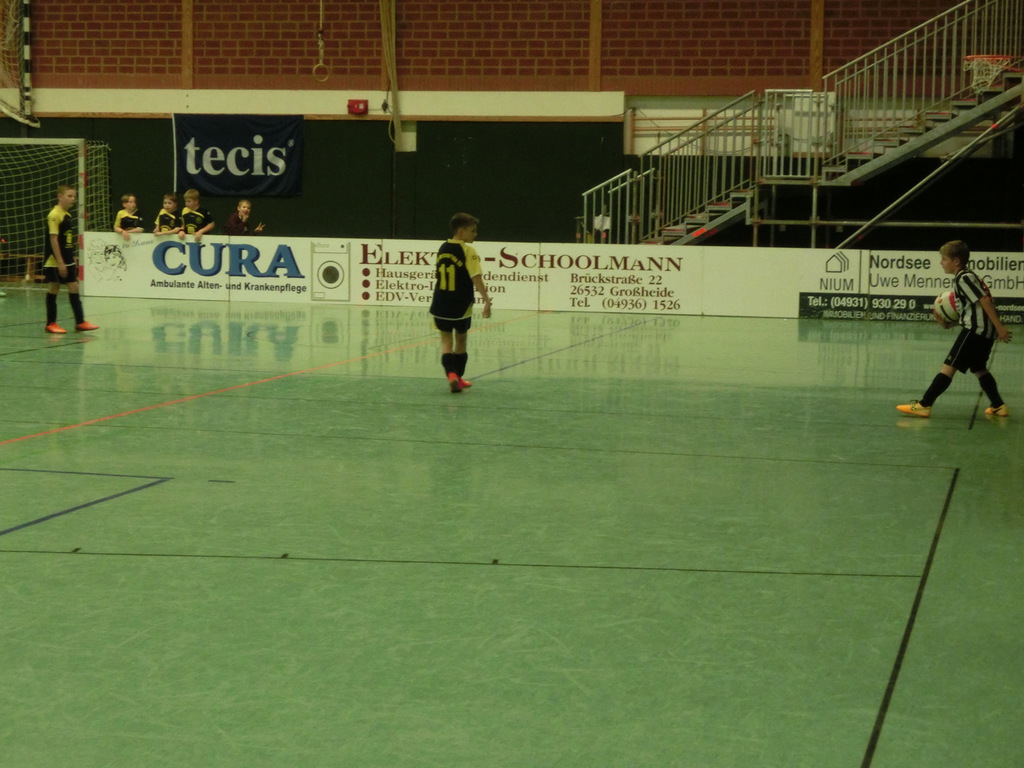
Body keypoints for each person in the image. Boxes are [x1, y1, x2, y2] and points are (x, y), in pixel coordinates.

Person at [898, 240, 1012, 418]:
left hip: (975, 331)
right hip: (983, 332)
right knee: (979, 368)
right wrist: (949, 324)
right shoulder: (967, 276)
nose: (941, 263)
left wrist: (1000, 327)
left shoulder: (963, 278)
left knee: (949, 367)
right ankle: (998, 405)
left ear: (956, 261)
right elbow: (972, 310)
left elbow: (985, 301)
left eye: (944, 259)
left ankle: (924, 404)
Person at [428, 212, 492, 393]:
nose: (475, 234)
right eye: (473, 230)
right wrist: (486, 300)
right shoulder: (468, 251)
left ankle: (451, 375)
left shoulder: (443, 247)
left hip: (440, 302)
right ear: (461, 231)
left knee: (445, 342)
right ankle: (458, 376)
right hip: (460, 304)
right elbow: (476, 277)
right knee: (461, 340)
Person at [43, 184, 99, 334]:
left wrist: (70, 256)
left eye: (74, 196)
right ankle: (51, 323)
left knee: (74, 287)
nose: (73, 199)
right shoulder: (54, 215)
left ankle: (80, 322)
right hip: (55, 260)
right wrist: (60, 262)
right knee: (54, 288)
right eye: (69, 196)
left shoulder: (67, 215)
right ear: (60, 196)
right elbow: (53, 239)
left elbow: (65, 240)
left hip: (67, 258)